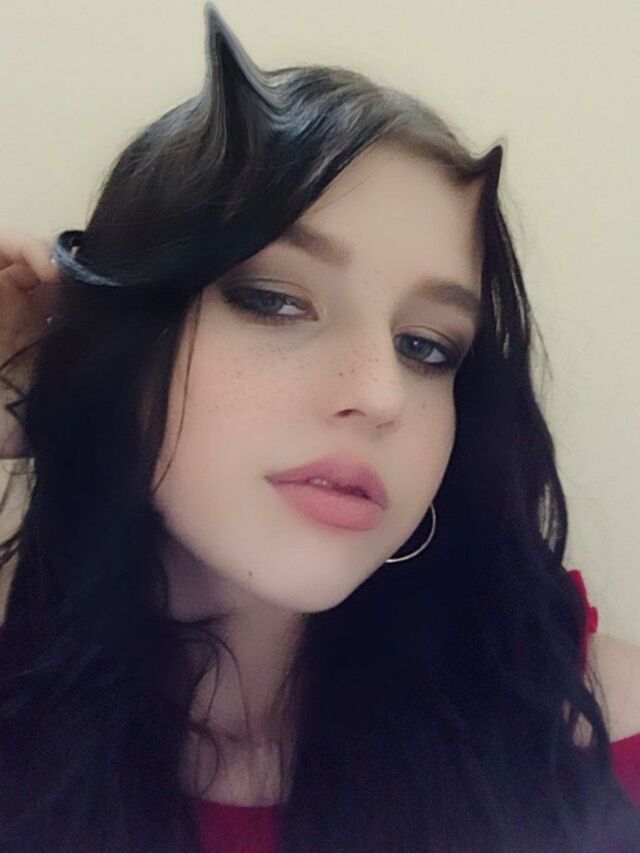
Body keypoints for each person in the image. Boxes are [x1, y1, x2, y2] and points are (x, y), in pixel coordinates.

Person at [0, 3, 638, 852]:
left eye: (427, 346)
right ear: (123, 341)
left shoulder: (588, 735)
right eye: (274, 301)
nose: (381, 394)